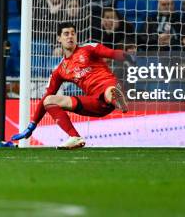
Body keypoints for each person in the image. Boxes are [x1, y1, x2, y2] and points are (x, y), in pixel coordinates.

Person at [11, 21, 133, 149]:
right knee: (49, 100)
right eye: (66, 34)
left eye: (73, 34)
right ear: (59, 38)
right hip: (94, 103)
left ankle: (117, 100)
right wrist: (32, 125)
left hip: (108, 86)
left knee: (110, 90)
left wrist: (128, 56)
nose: (70, 36)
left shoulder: (88, 49)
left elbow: (112, 53)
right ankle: (75, 137)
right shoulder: (60, 70)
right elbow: (45, 97)